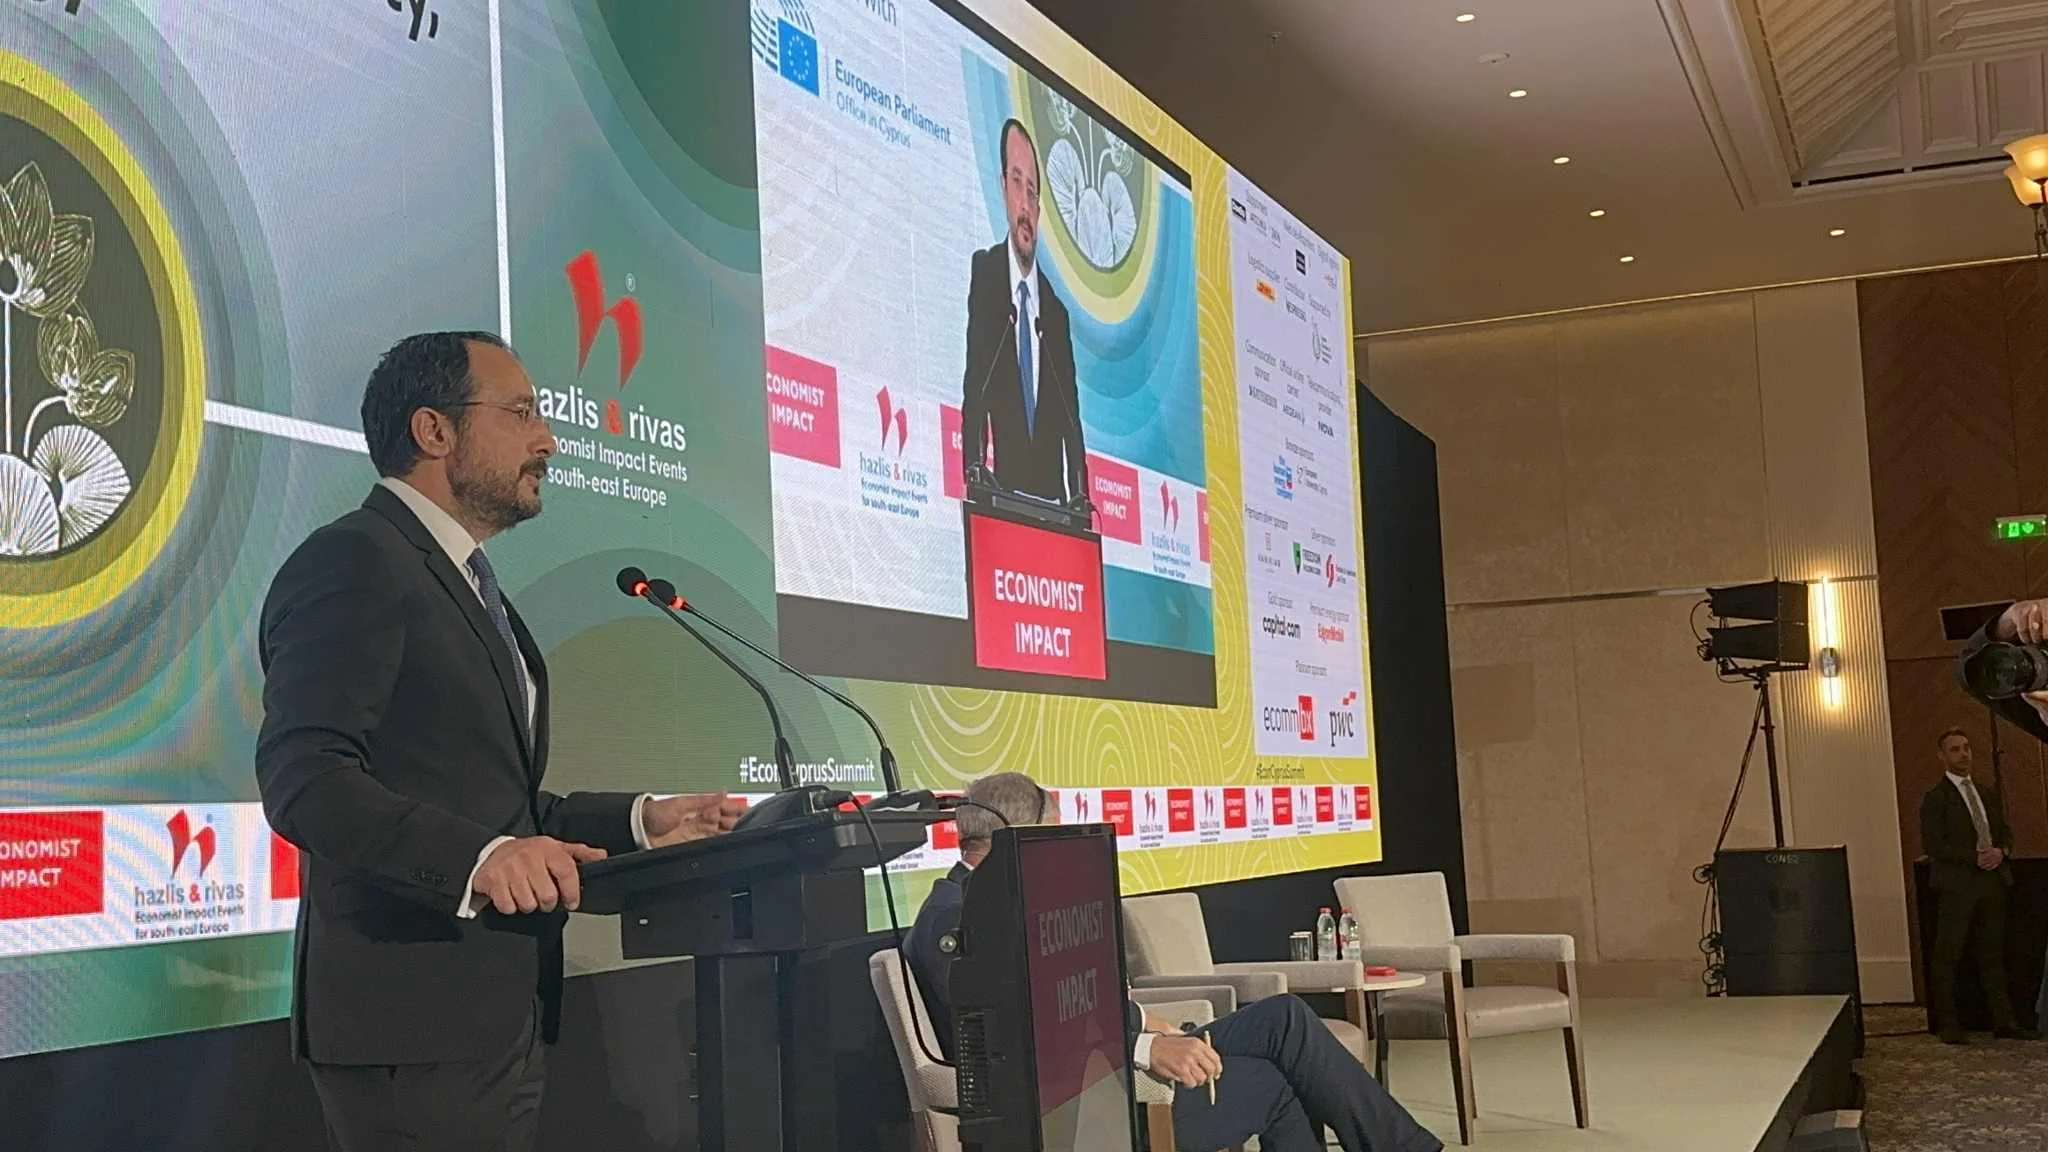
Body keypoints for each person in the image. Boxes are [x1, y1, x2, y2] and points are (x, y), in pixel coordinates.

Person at [255, 331, 744, 1151]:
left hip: (496, 1015)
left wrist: (640, 822)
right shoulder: (355, 559)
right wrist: (479, 859)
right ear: (434, 430)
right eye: (520, 413)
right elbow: (305, 777)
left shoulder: (466, 580)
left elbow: (491, 801)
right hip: (410, 1025)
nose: (547, 439)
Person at [905, 772, 1442, 1152]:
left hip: (1112, 1057)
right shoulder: (956, 918)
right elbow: (1025, 1031)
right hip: (1090, 1102)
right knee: (1276, 1081)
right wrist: (1145, 1047)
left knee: (1285, 1018)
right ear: (1019, 835)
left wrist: (1144, 1022)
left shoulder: (1002, 904)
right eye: (1054, 832)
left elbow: (1063, 1003)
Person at [959, 117, 1086, 506]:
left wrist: (1080, 499)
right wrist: (975, 477)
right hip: (1002, 504)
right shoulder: (987, 275)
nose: (1025, 205)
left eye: (1033, 192)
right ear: (1002, 188)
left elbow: (1072, 424)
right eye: (1017, 183)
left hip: (1054, 515)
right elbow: (975, 392)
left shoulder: (1056, 315)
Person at [1918, 727, 2033, 1044]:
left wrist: (2001, 851)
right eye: (1955, 749)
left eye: (1967, 748)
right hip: (1957, 885)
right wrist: (1974, 856)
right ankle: (1949, 1025)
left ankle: (2004, 1022)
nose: (1963, 754)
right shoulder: (1936, 798)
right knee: (1949, 956)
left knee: (1992, 955)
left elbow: (2004, 831)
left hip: (1991, 882)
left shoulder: (1986, 792)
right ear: (1942, 756)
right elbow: (1934, 844)